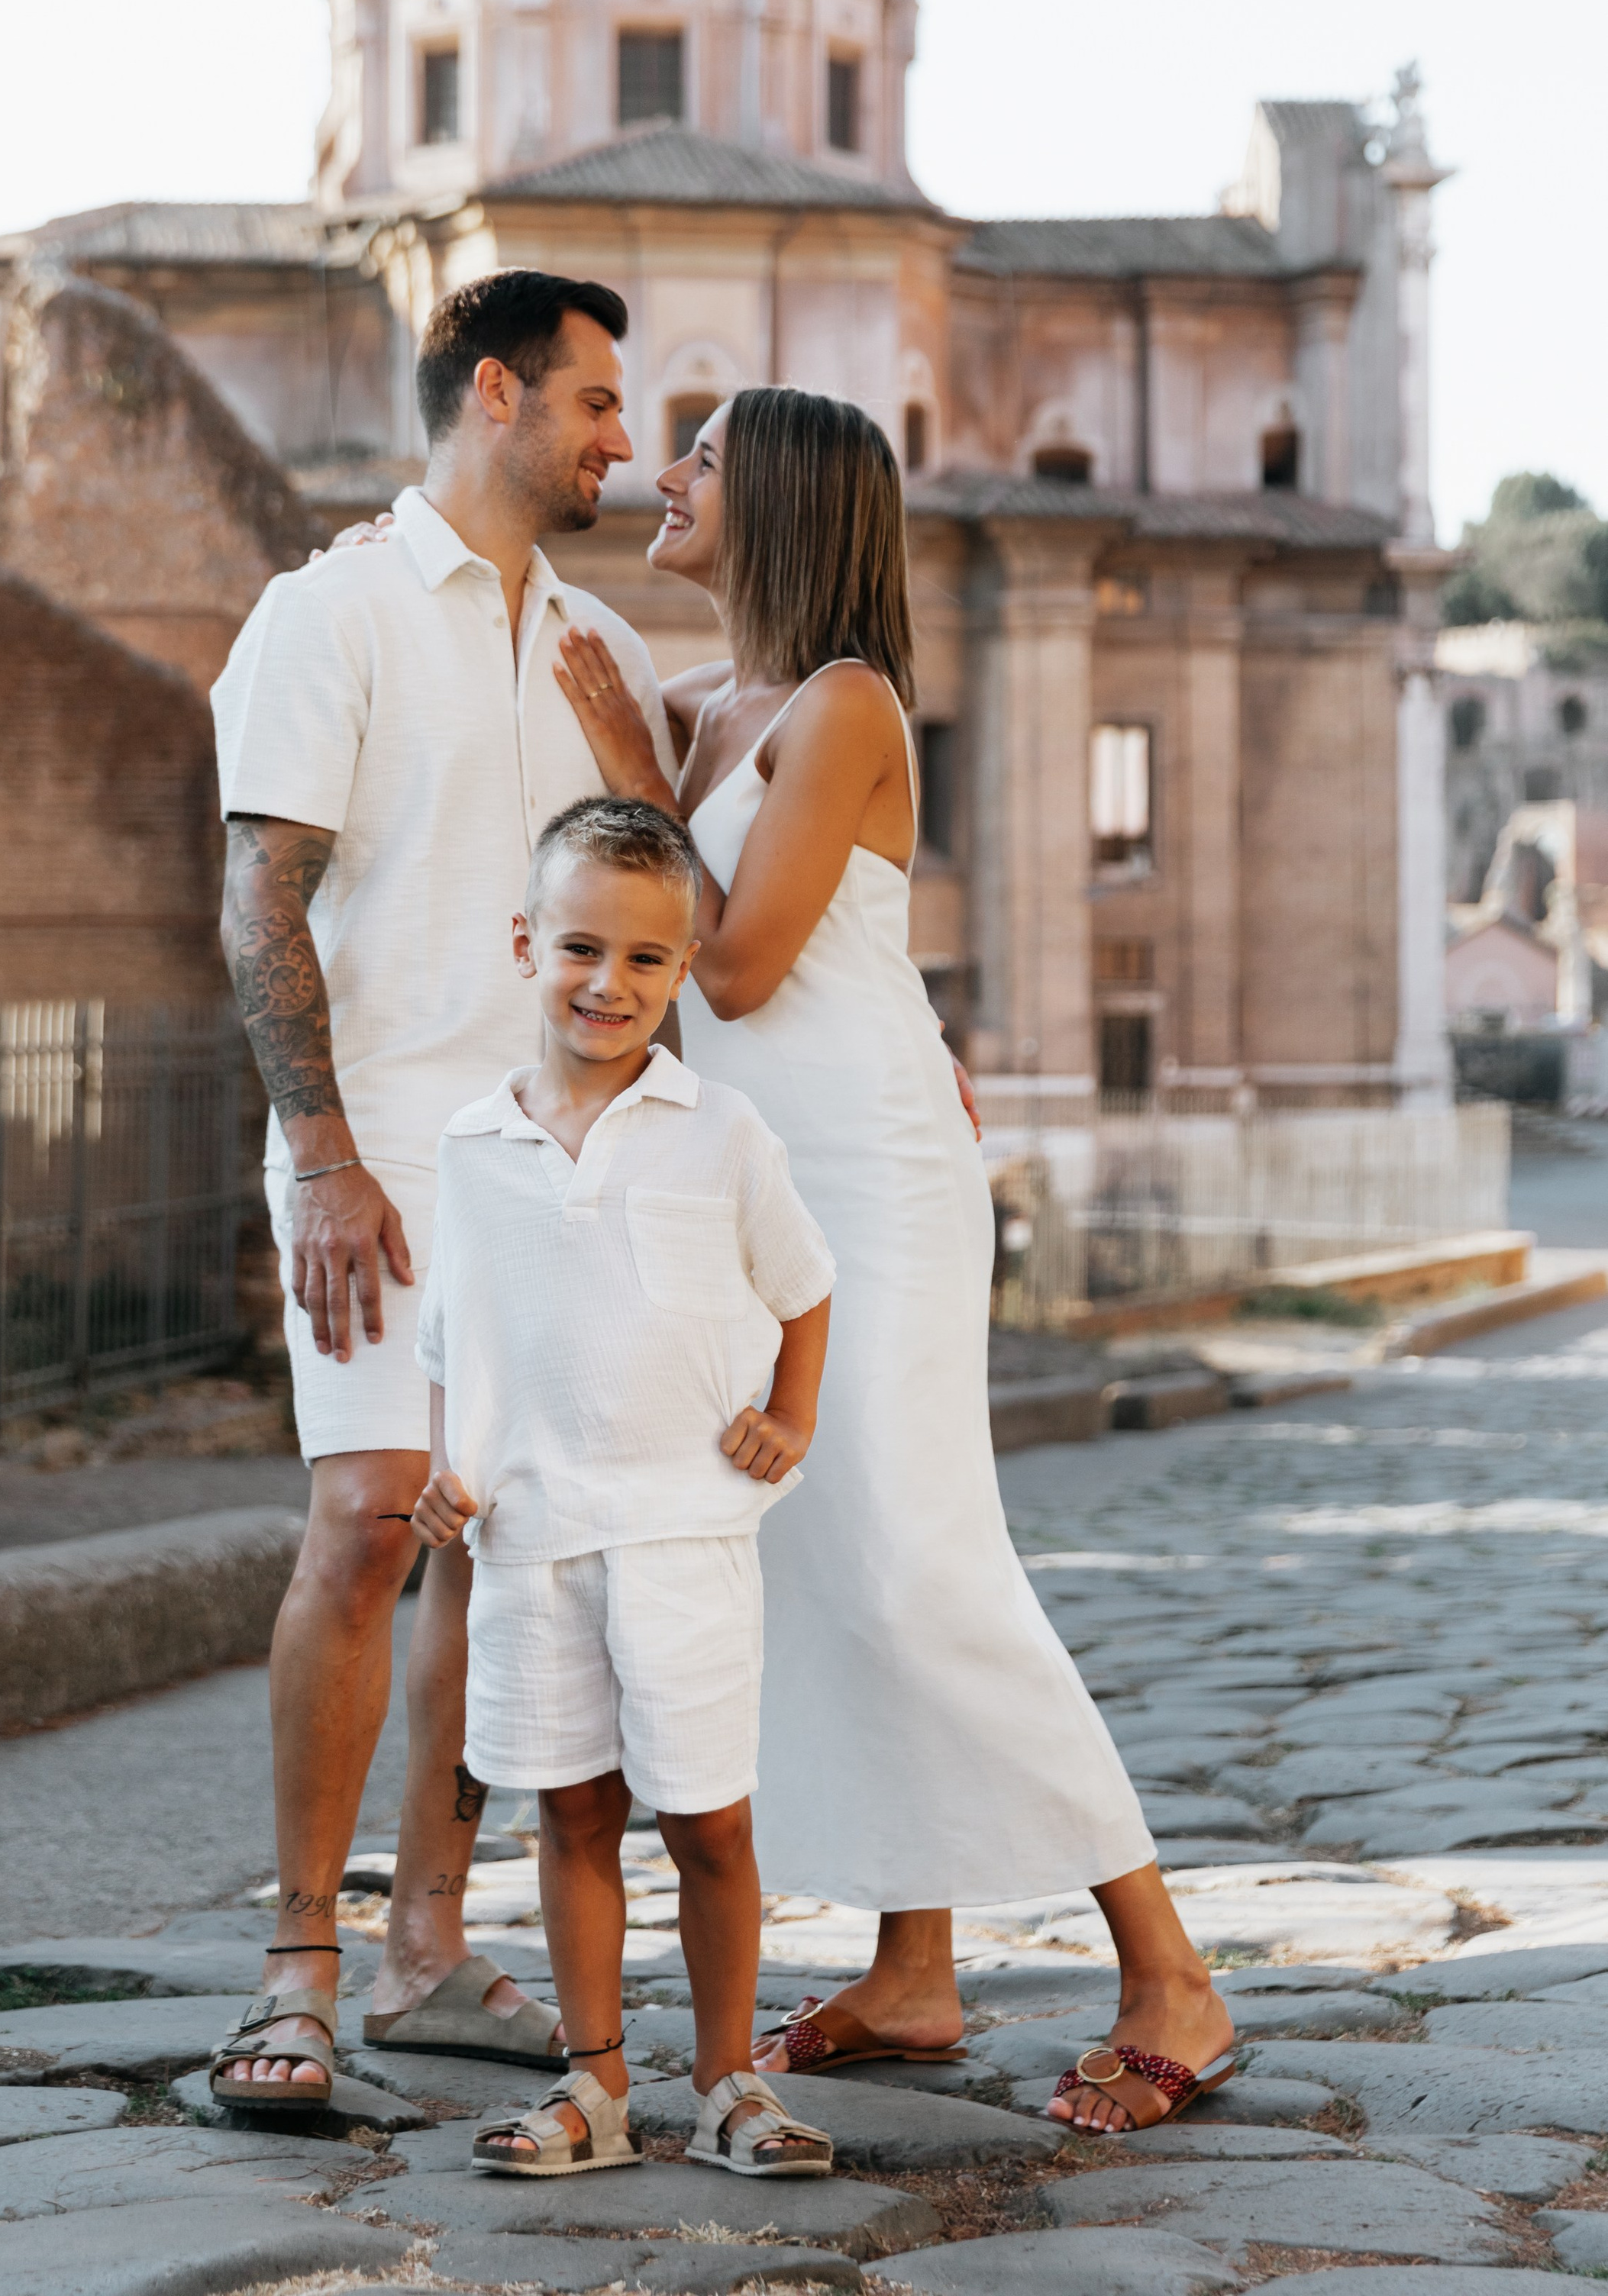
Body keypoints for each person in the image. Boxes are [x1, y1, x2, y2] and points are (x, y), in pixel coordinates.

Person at [551, 385, 1236, 2139]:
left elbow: (747, 964)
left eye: (698, 461)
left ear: (775, 501)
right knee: (820, 1565)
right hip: (754, 1180)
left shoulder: (844, 706)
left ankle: (1169, 1968)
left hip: (868, 1166)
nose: (663, 477)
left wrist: (629, 779)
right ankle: (911, 1967)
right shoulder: (701, 705)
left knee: (918, 1561)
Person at [205, 269, 676, 2106]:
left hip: (553, 1158)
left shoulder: (598, 647)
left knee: (482, 1539)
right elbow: (260, 896)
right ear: (495, 393)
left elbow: (683, 897)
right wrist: (316, 1152)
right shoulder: (324, 612)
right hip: (380, 1145)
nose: (617, 440)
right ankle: (295, 1967)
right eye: (593, 404)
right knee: (366, 1514)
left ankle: (424, 1941)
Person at [411, 794, 838, 2181]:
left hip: (684, 1531)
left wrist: (791, 1412)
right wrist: (442, 1470)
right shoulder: (470, 1148)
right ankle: (592, 2084)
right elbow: (448, 1341)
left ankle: (730, 2081)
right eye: (583, 948)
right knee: (570, 1807)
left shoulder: (720, 1133)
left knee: (708, 1816)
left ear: (685, 961)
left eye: (649, 960)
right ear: (527, 941)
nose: (611, 984)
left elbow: (806, 1285)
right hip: (531, 1542)